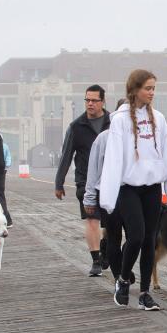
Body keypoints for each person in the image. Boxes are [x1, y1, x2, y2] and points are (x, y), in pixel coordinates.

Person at [99, 70, 167, 311]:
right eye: (147, 88)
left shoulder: (160, 119)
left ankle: (145, 292)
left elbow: (165, 155)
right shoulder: (120, 121)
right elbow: (113, 159)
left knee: (149, 240)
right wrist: (108, 197)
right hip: (128, 188)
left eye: (154, 88)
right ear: (134, 90)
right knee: (135, 236)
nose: (152, 92)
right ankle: (123, 280)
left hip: (152, 187)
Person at [55, 84, 111, 276]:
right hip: (85, 182)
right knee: (92, 220)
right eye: (87, 100)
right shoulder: (76, 126)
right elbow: (66, 155)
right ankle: (96, 260)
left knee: (112, 223)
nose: (90, 104)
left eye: (94, 100)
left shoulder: (114, 122)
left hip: (112, 182)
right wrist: (59, 183)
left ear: (103, 101)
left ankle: (106, 246)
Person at [83, 98, 133, 282]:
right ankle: (120, 274)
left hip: (132, 193)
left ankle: (122, 264)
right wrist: (89, 198)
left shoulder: (139, 137)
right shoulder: (103, 138)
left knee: (137, 236)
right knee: (114, 236)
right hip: (108, 193)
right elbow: (93, 171)